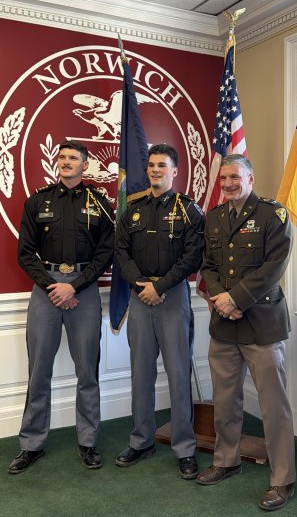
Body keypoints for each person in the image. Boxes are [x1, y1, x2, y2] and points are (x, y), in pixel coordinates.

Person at [8, 141, 114, 474]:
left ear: (86, 165)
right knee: (38, 371)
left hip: (83, 288)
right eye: (63, 157)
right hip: (46, 288)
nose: (66, 162)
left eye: (74, 159)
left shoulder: (100, 203)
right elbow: (25, 253)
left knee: (87, 371)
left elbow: (106, 252)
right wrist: (53, 286)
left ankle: (87, 441)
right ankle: (31, 445)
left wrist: (74, 285)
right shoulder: (37, 201)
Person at [197, 154, 296, 512]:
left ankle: (282, 479)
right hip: (224, 325)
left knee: (274, 407)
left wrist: (236, 298)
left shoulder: (273, 214)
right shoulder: (214, 217)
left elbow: (274, 265)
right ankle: (226, 460)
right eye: (223, 178)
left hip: (262, 324)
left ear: (250, 178)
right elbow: (208, 264)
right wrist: (223, 300)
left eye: (234, 177)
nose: (227, 183)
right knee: (225, 402)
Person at [114, 143, 204, 479]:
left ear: (175, 171)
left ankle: (185, 448)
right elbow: (121, 252)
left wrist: (159, 287)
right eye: (151, 165)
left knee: (179, 374)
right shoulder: (132, 211)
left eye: (162, 165)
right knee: (141, 372)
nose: (155, 170)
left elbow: (193, 257)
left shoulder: (189, 211)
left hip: (172, 298)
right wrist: (141, 285)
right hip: (140, 298)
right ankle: (141, 440)